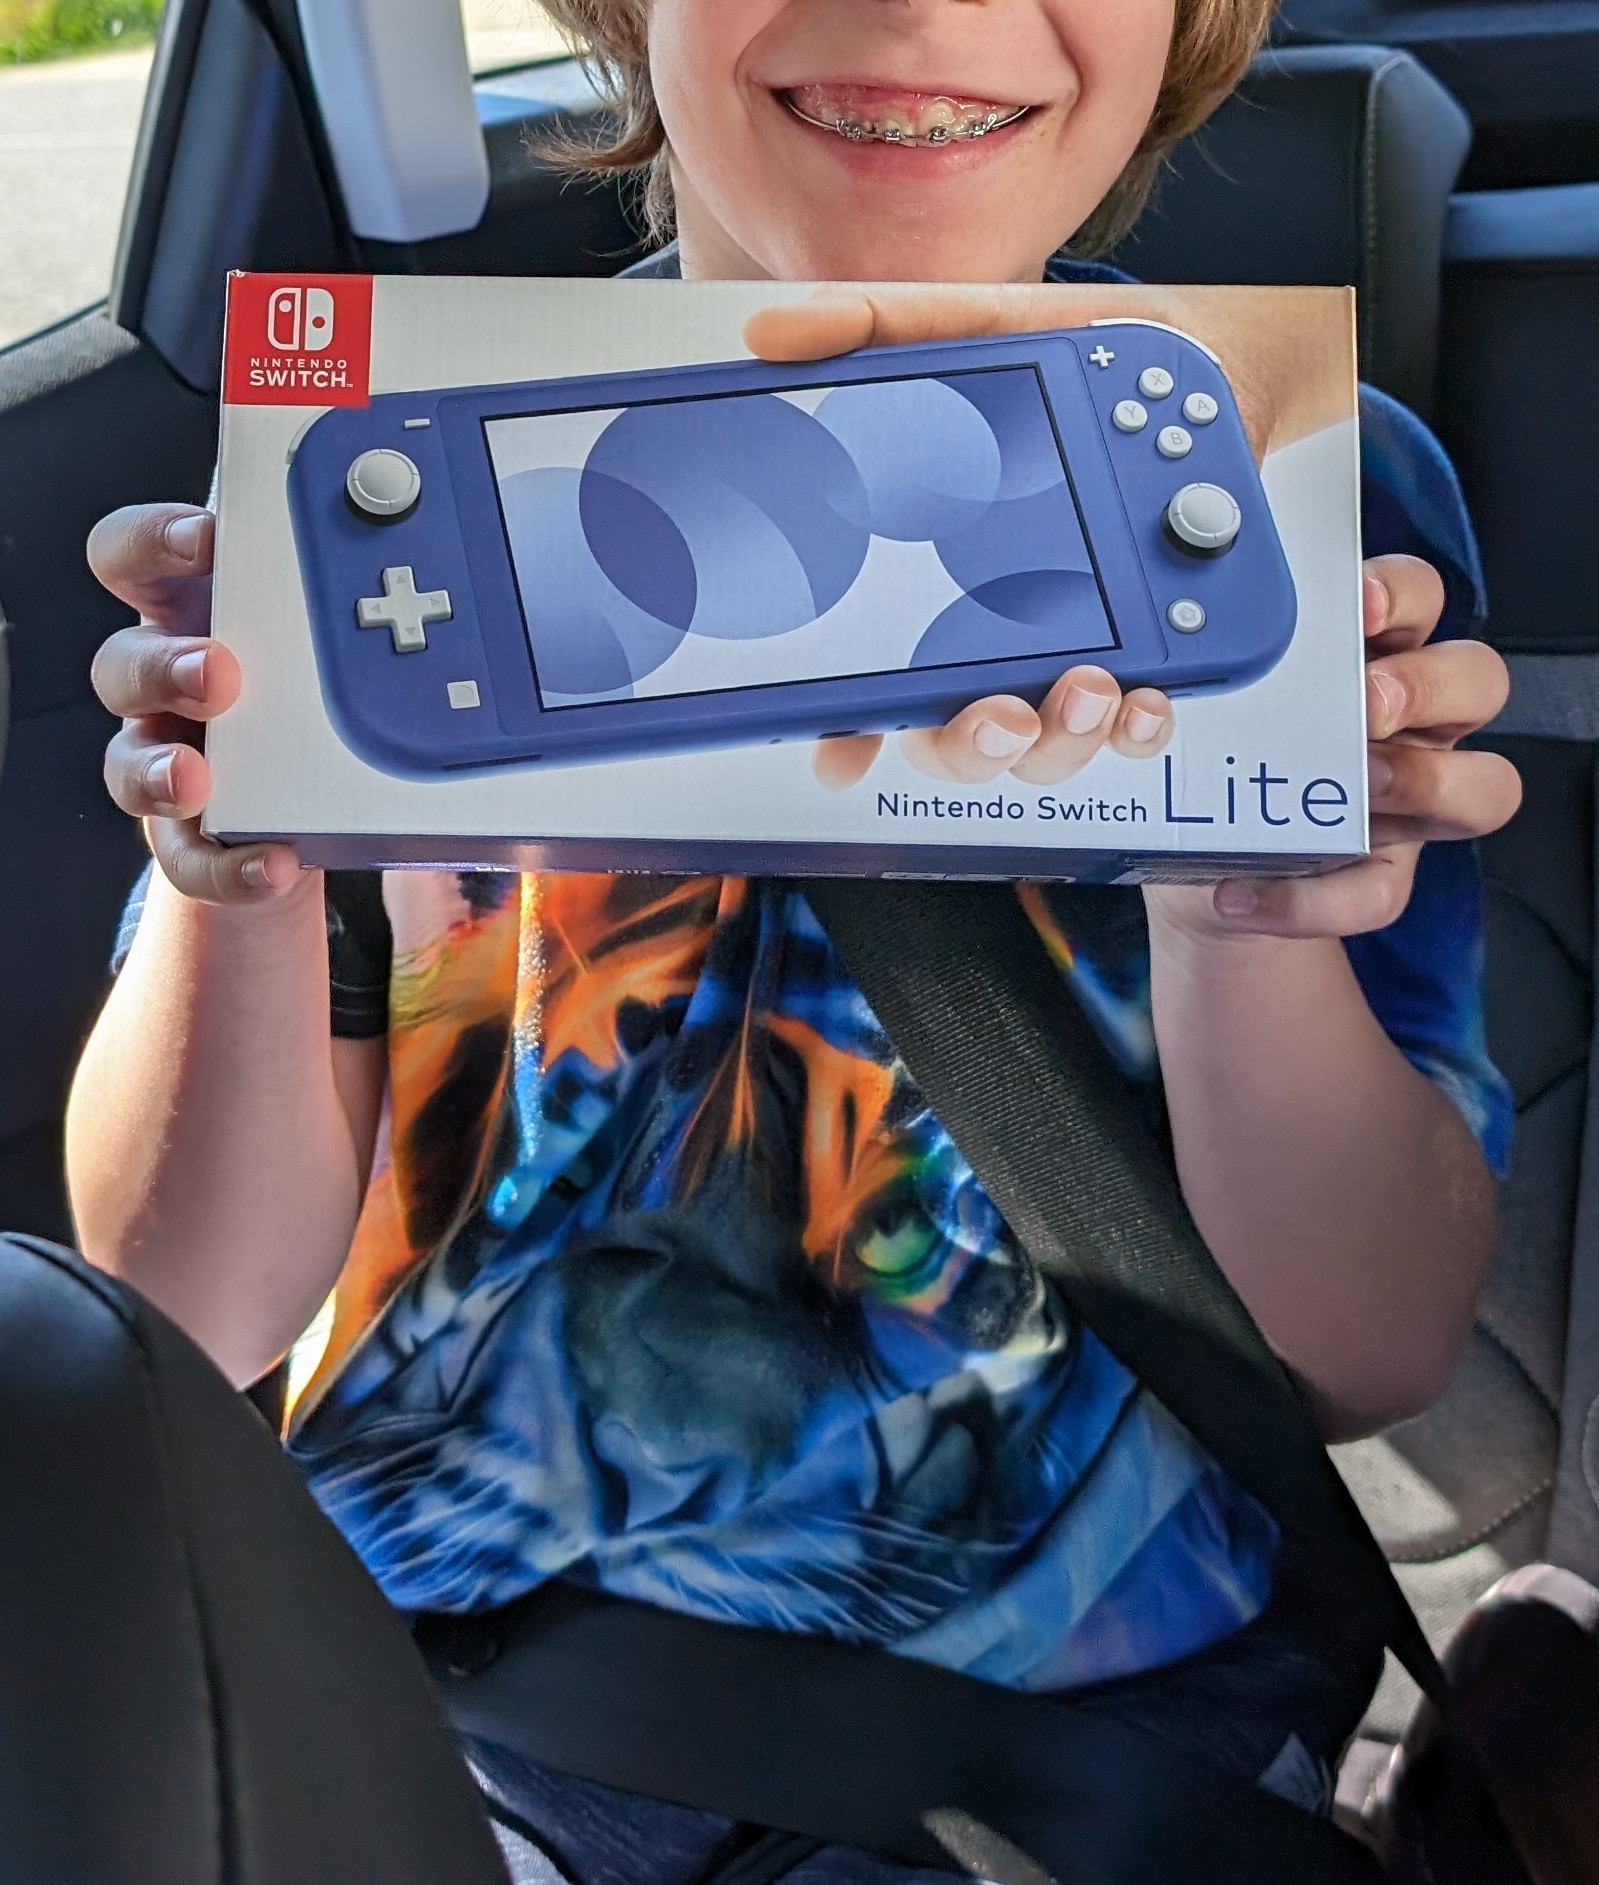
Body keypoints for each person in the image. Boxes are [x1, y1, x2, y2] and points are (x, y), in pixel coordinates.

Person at [56, 0, 1521, 1877]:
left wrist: (1244, 922)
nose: (922, 8)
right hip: (425, 1692)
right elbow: (183, 1299)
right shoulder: (377, 480)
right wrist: (238, 877)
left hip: (1074, 1734)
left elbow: (1371, 1347)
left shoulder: (1309, 485)